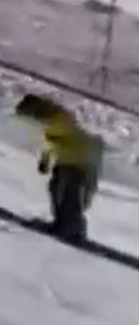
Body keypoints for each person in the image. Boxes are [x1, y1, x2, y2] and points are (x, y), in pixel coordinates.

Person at [15, 93, 100, 244]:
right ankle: (61, 224)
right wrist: (45, 159)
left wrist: (48, 148)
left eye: (29, 114)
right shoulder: (49, 120)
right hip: (66, 160)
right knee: (55, 190)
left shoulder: (59, 116)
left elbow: (59, 133)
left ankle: (74, 229)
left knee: (70, 194)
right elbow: (50, 141)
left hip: (79, 160)